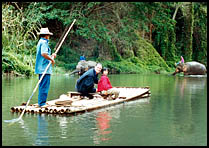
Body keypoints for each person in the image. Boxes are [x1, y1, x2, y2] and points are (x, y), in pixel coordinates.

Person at [35, 28, 56, 107]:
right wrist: (51, 59)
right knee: (44, 85)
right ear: (46, 36)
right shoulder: (44, 42)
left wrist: (52, 56)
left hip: (41, 68)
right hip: (44, 68)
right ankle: (42, 103)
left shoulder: (40, 42)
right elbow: (43, 53)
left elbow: (45, 54)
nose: (49, 37)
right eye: (48, 35)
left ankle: (42, 101)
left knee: (42, 85)